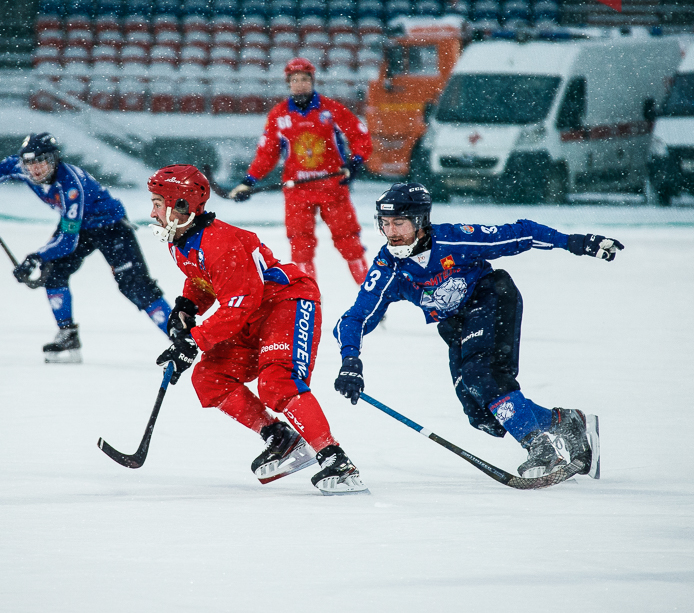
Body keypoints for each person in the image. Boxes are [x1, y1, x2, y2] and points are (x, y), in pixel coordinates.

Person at [333, 183, 619, 480]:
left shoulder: (454, 240)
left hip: (490, 297)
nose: (391, 232)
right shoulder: (388, 267)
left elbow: (523, 232)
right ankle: (565, 422)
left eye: (399, 223)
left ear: (420, 221)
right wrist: (350, 360)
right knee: (480, 414)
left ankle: (539, 446)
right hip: (454, 324)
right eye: (386, 223)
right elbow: (354, 318)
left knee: (483, 376)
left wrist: (574, 241)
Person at [149, 164, 367, 494]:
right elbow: (205, 280)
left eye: (157, 202)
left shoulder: (220, 242)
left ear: (181, 206)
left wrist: (194, 340)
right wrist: (187, 307)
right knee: (209, 378)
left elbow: (240, 303)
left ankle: (335, 458)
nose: (152, 212)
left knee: (277, 381)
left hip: (287, 303)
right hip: (252, 314)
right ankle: (280, 438)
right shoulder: (180, 239)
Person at [0, 132, 172, 363]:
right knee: (54, 273)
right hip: (78, 226)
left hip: (110, 226)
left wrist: (36, 257)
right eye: (29, 163)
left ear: (54, 160)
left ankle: (182, 338)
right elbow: (5, 166)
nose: (35, 169)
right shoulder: (21, 167)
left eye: (41, 162)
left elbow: (67, 241)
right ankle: (68, 336)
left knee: (134, 285)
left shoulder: (71, 184)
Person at [228, 57, 372, 285]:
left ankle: (370, 294)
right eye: (295, 80)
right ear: (288, 83)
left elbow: (360, 136)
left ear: (312, 81)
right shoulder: (278, 115)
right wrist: (249, 181)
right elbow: (267, 153)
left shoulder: (332, 109)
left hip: (333, 188)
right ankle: (308, 299)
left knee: (349, 242)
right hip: (298, 192)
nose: (300, 84)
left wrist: (355, 163)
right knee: (300, 246)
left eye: (304, 79)